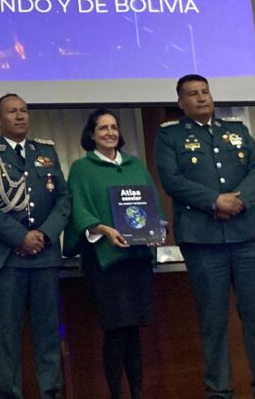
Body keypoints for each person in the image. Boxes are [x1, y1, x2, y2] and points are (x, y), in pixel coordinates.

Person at [155, 74, 255, 399]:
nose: (202, 98)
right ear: (181, 103)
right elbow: (171, 180)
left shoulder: (237, 130)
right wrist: (214, 201)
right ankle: (219, 391)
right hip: (203, 240)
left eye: (205, 92)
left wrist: (238, 200)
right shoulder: (170, 136)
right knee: (213, 319)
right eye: (193, 94)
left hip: (246, 235)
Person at [0, 93, 70, 399]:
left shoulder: (46, 151)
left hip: (45, 256)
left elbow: (63, 199)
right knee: (8, 336)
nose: (20, 116)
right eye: (12, 111)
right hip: (6, 258)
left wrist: (44, 235)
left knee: (48, 332)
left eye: (24, 110)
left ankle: (51, 392)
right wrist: (20, 237)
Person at [65, 108, 163, 399]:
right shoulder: (82, 168)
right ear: (91, 134)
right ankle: (116, 394)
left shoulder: (135, 165)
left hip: (137, 260)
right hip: (106, 262)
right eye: (103, 128)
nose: (110, 133)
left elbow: (153, 204)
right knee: (116, 330)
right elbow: (79, 209)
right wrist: (104, 229)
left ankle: (137, 393)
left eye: (114, 127)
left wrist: (157, 229)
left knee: (134, 331)